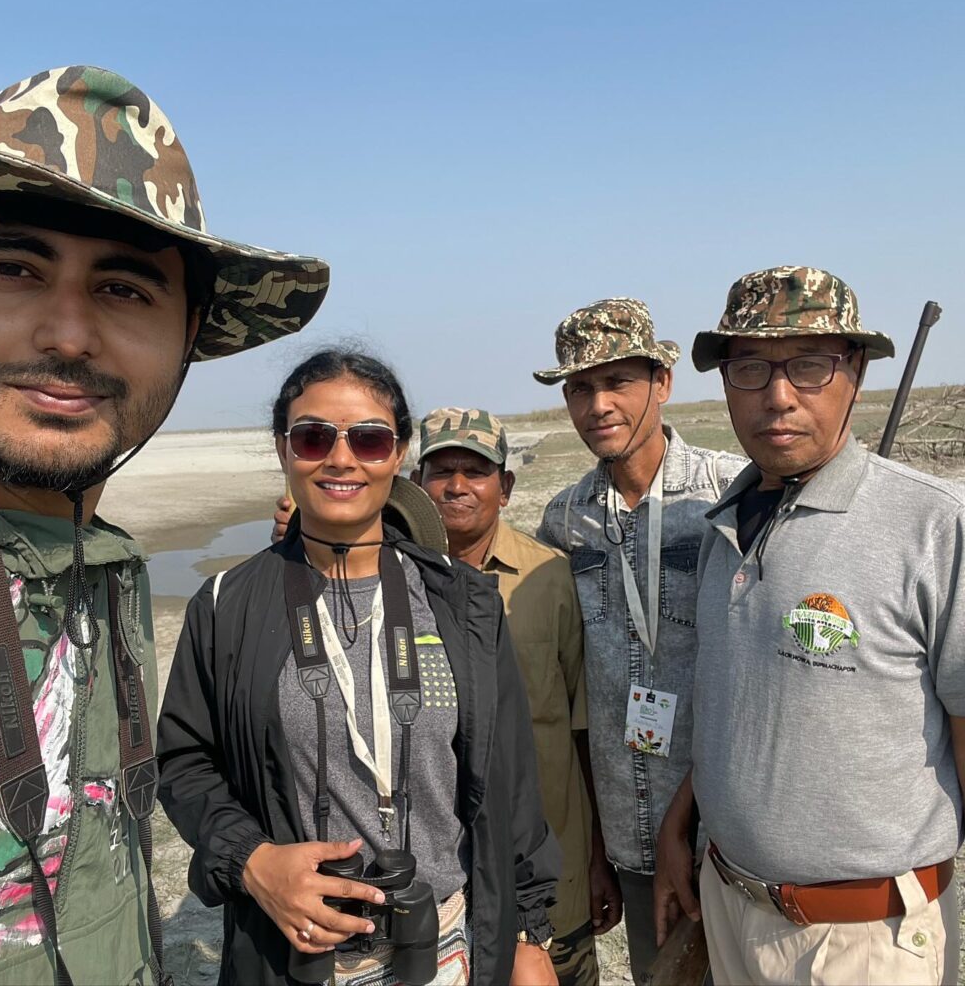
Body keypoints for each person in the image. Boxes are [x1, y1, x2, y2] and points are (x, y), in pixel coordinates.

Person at [0, 66, 329, 985]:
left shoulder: (106, 561)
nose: (70, 333)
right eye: (11, 267)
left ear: (188, 333)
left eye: (124, 289)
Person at [157, 351, 561, 986]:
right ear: (283, 448)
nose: (340, 459)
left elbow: (509, 785)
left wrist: (529, 935)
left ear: (397, 454)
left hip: (448, 946)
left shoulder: (464, 603)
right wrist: (252, 861)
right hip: (295, 956)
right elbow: (185, 763)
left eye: (369, 439)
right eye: (314, 436)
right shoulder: (225, 606)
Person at [653, 266, 964, 985]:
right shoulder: (722, 527)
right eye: (751, 368)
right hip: (728, 908)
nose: (778, 396)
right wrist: (682, 822)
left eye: (810, 365)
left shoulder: (933, 526)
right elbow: (742, 704)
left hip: (866, 940)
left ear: (854, 372)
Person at [532, 299, 745, 985]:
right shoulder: (564, 519)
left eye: (618, 381)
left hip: (728, 832)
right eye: (580, 388)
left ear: (663, 381)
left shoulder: (728, 493)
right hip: (627, 831)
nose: (598, 404)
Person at [411, 407, 620, 986]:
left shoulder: (549, 578)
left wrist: (597, 859)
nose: (456, 486)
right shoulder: (387, 577)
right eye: (441, 470)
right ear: (415, 485)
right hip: (441, 878)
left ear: (505, 487)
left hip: (547, 867)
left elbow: (583, 733)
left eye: (476, 471)